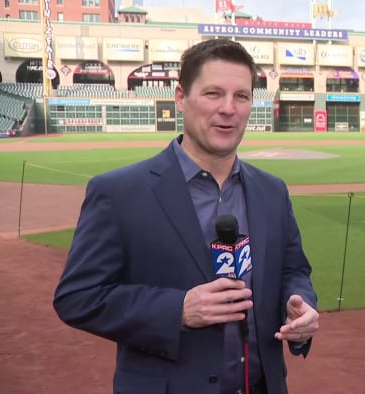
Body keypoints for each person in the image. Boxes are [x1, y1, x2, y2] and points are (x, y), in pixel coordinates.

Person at [53, 38, 319, 394]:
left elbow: (293, 270)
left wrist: (299, 305)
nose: (229, 109)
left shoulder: (272, 191)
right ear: (181, 98)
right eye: (213, 93)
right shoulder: (120, 192)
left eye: (241, 96)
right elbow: (77, 297)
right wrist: (177, 309)